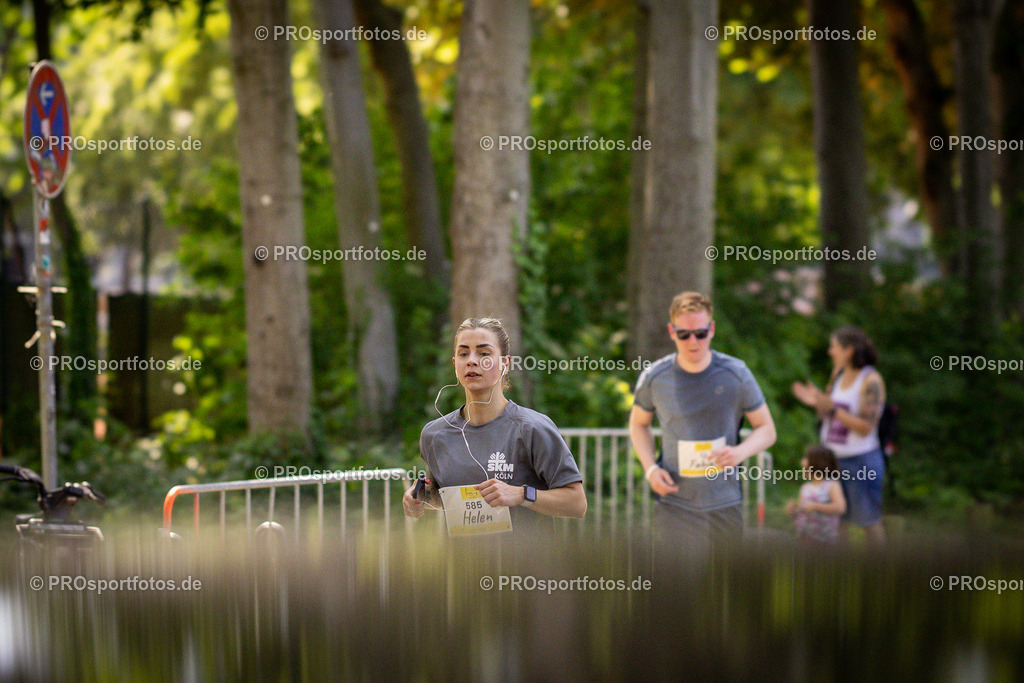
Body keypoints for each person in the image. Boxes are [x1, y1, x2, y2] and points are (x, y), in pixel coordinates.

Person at [402, 317, 586, 535]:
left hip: (527, 565)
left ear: (505, 364)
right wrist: (420, 497)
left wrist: (521, 495)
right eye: (463, 353)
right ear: (455, 364)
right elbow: (445, 497)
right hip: (465, 565)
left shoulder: (532, 429)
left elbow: (577, 504)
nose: (471, 361)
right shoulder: (435, 434)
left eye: (484, 353)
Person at [629, 292, 777, 554]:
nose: (693, 341)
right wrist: (650, 469)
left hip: (725, 502)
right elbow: (638, 424)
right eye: (684, 334)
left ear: (712, 329)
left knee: (724, 587)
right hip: (675, 504)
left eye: (700, 333)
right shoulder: (655, 377)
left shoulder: (737, 374)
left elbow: (767, 429)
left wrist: (739, 452)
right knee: (679, 587)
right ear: (671, 332)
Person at [792, 326, 887, 548]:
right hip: (832, 461)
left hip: (860, 460)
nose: (830, 351)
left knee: (868, 523)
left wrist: (832, 409)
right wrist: (816, 400)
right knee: (837, 523)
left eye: (834, 346)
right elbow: (827, 411)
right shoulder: (837, 373)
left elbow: (865, 427)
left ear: (849, 350)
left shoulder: (871, 380)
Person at [785, 445, 846, 547]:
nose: (802, 462)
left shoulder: (831, 485)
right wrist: (793, 511)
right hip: (804, 539)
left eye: (806, 459)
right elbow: (802, 511)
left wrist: (816, 506)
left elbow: (840, 508)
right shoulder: (805, 487)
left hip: (825, 542)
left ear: (817, 463)